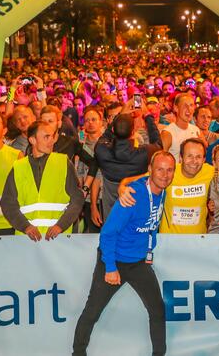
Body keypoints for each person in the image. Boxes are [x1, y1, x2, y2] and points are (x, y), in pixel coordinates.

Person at [72, 151, 175, 356]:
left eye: (169, 170)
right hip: (113, 260)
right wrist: (110, 267)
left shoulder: (161, 189)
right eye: (160, 169)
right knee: (92, 311)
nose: (164, 175)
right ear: (150, 171)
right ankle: (78, 353)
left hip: (139, 263)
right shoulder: (133, 196)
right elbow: (108, 233)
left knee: (157, 310)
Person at [0, 120, 84, 241]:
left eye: (52, 136)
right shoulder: (18, 167)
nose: (52, 141)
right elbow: (8, 203)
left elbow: (77, 198)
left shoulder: (63, 162)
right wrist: (26, 227)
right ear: (32, 140)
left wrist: (61, 226)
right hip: (27, 240)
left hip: (59, 239)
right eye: (46, 137)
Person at [160, 93, 201, 161]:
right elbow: (161, 160)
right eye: (185, 106)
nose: (189, 109)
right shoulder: (167, 133)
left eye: (191, 105)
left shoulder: (196, 130)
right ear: (176, 108)